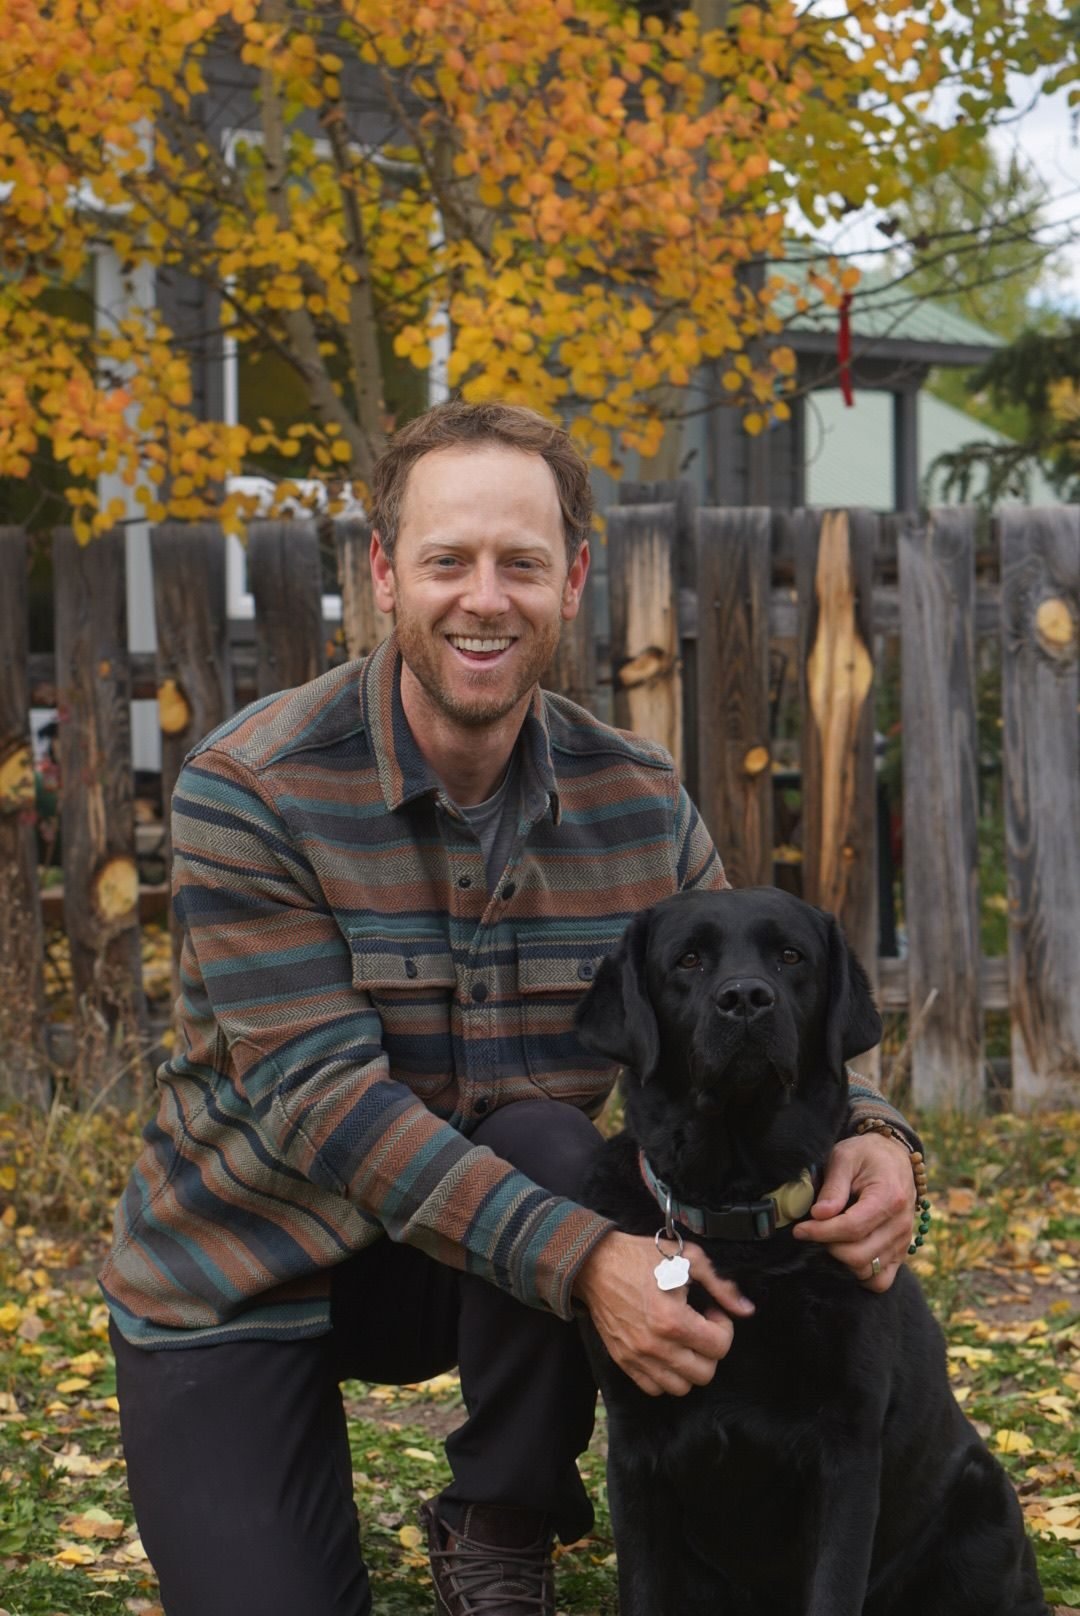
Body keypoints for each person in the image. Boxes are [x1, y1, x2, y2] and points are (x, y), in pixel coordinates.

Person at [102, 401, 922, 1616]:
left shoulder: (638, 799)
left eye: (521, 563)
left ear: (573, 577)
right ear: (385, 573)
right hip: (246, 1265)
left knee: (554, 1146)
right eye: (448, 559)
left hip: (481, 1260)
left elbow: (751, 998)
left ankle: (501, 1521)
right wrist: (591, 1259)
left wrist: (874, 1131)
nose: (484, 597)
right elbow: (325, 1107)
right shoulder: (251, 787)